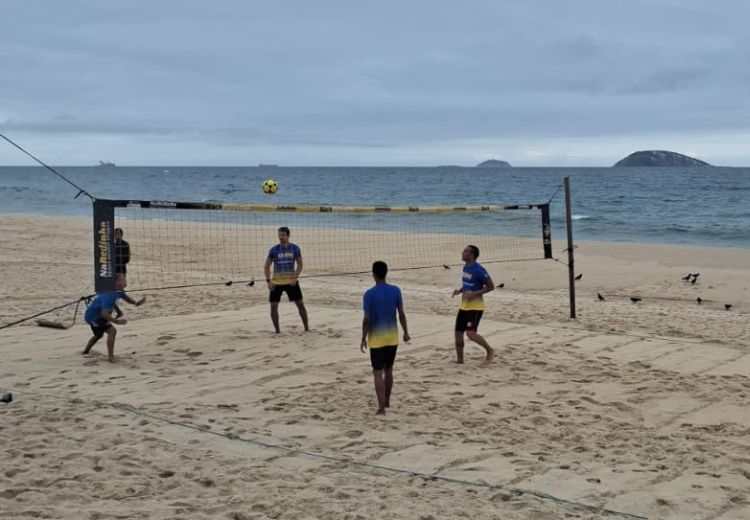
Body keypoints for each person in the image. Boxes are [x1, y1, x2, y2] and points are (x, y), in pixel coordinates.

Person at [360, 261, 410, 415]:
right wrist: (406, 332)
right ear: (386, 273)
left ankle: (381, 407)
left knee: (377, 372)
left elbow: (366, 319)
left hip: (376, 338)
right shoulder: (395, 290)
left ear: (373, 274)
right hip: (392, 337)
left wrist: (363, 337)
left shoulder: (369, 294)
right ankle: (387, 401)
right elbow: (401, 314)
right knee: (389, 370)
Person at [82, 274, 146, 363]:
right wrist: (117, 321)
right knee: (112, 331)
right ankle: (111, 357)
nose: (125, 281)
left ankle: (85, 352)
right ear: (116, 282)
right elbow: (104, 313)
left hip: (97, 315)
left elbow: (126, 299)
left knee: (98, 335)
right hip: (93, 317)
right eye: (123, 279)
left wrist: (136, 303)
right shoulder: (109, 295)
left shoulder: (119, 292)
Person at [451, 245, 494, 364]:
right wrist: (460, 290)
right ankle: (460, 361)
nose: (462, 253)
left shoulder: (479, 270)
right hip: (464, 306)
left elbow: (491, 286)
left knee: (470, 333)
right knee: (458, 334)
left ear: (471, 255)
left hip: (475, 307)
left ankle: (490, 350)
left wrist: (474, 294)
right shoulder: (465, 267)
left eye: (465, 251)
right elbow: (468, 284)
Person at [263, 226, 309, 333]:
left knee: (300, 304)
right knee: (273, 307)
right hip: (276, 282)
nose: (281, 237)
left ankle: (307, 329)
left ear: (288, 235)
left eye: (283, 235)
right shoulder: (274, 250)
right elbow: (266, 266)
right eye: (279, 235)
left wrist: (295, 277)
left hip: (290, 282)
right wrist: (268, 281)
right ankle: (277, 331)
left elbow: (300, 265)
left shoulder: (295, 248)